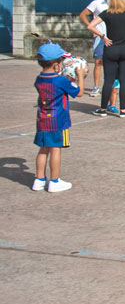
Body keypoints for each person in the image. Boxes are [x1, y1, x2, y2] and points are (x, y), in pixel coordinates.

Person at [33, 43, 80, 193]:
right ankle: (54, 180)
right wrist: (80, 76)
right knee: (56, 149)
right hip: (58, 120)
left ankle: (39, 180)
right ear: (56, 64)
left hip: (42, 119)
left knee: (43, 149)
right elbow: (78, 92)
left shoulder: (39, 79)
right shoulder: (60, 81)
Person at [87, 0, 125, 118]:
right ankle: (123, 110)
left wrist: (103, 36)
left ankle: (103, 109)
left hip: (111, 49)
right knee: (124, 81)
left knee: (108, 80)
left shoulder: (107, 14)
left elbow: (90, 26)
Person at [78, 0, 114, 96]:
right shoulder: (97, 3)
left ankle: (109, 86)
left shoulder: (117, 5)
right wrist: (91, 27)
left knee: (111, 63)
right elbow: (83, 15)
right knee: (98, 62)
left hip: (113, 36)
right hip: (100, 37)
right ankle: (96, 86)